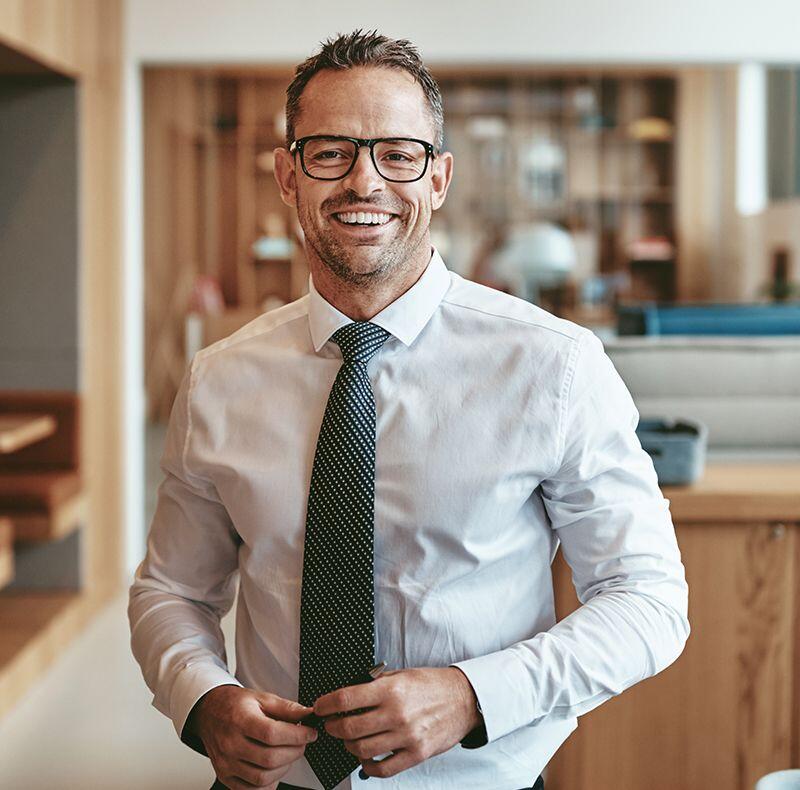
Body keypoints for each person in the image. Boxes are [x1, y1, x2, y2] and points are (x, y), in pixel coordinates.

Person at [128, 30, 690, 790]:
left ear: (439, 179)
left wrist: (472, 694)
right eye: (330, 152)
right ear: (287, 176)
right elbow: (172, 590)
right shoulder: (219, 379)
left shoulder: (553, 366)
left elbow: (649, 600)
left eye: (398, 154)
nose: (365, 182)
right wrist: (204, 697)